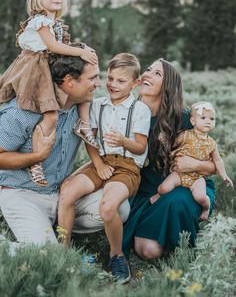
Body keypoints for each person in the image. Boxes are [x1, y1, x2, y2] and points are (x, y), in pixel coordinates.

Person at [0, 54, 130, 246]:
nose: (99, 84)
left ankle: (53, 228)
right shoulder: (22, 111)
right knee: (47, 256)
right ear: (69, 81)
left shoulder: (83, 109)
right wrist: (37, 156)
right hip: (23, 194)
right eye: (92, 78)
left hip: (62, 193)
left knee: (119, 207)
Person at [58, 53, 151, 283]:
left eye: (121, 81)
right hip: (101, 160)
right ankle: (62, 250)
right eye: (110, 78)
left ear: (135, 83)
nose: (112, 85)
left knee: (108, 206)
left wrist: (123, 141)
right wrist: (98, 164)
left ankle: (117, 255)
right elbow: (91, 140)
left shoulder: (140, 110)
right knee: (68, 191)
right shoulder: (97, 105)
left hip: (127, 167)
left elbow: (140, 147)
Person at [0, 0, 99, 187]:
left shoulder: (54, 22)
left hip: (48, 65)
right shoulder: (40, 20)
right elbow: (53, 47)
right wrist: (79, 53)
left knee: (83, 90)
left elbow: (62, 47)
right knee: (51, 115)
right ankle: (36, 160)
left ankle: (83, 124)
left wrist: (83, 49)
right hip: (37, 71)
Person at [122, 59, 216, 260]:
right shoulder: (126, 114)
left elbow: (211, 166)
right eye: (148, 70)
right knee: (147, 250)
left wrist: (195, 164)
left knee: (177, 203)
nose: (147, 74)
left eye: (157, 74)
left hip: (186, 186)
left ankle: (182, 240)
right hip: (146, 192)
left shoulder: (183, 118)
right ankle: (165, 231)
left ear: (168, 86)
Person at [150, 101, 233, 221]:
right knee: (163, 188)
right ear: (193, 121)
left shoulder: (212, 143)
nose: (208, 121)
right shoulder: (185, 135)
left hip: (197, 177)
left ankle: (206, 207)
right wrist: (164, 140)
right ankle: (159, 196)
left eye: (212, 118)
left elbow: (218, 161)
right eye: (203, 117)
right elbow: (172, 144)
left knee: (200, 197)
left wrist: (224, 175)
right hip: (179, 173)